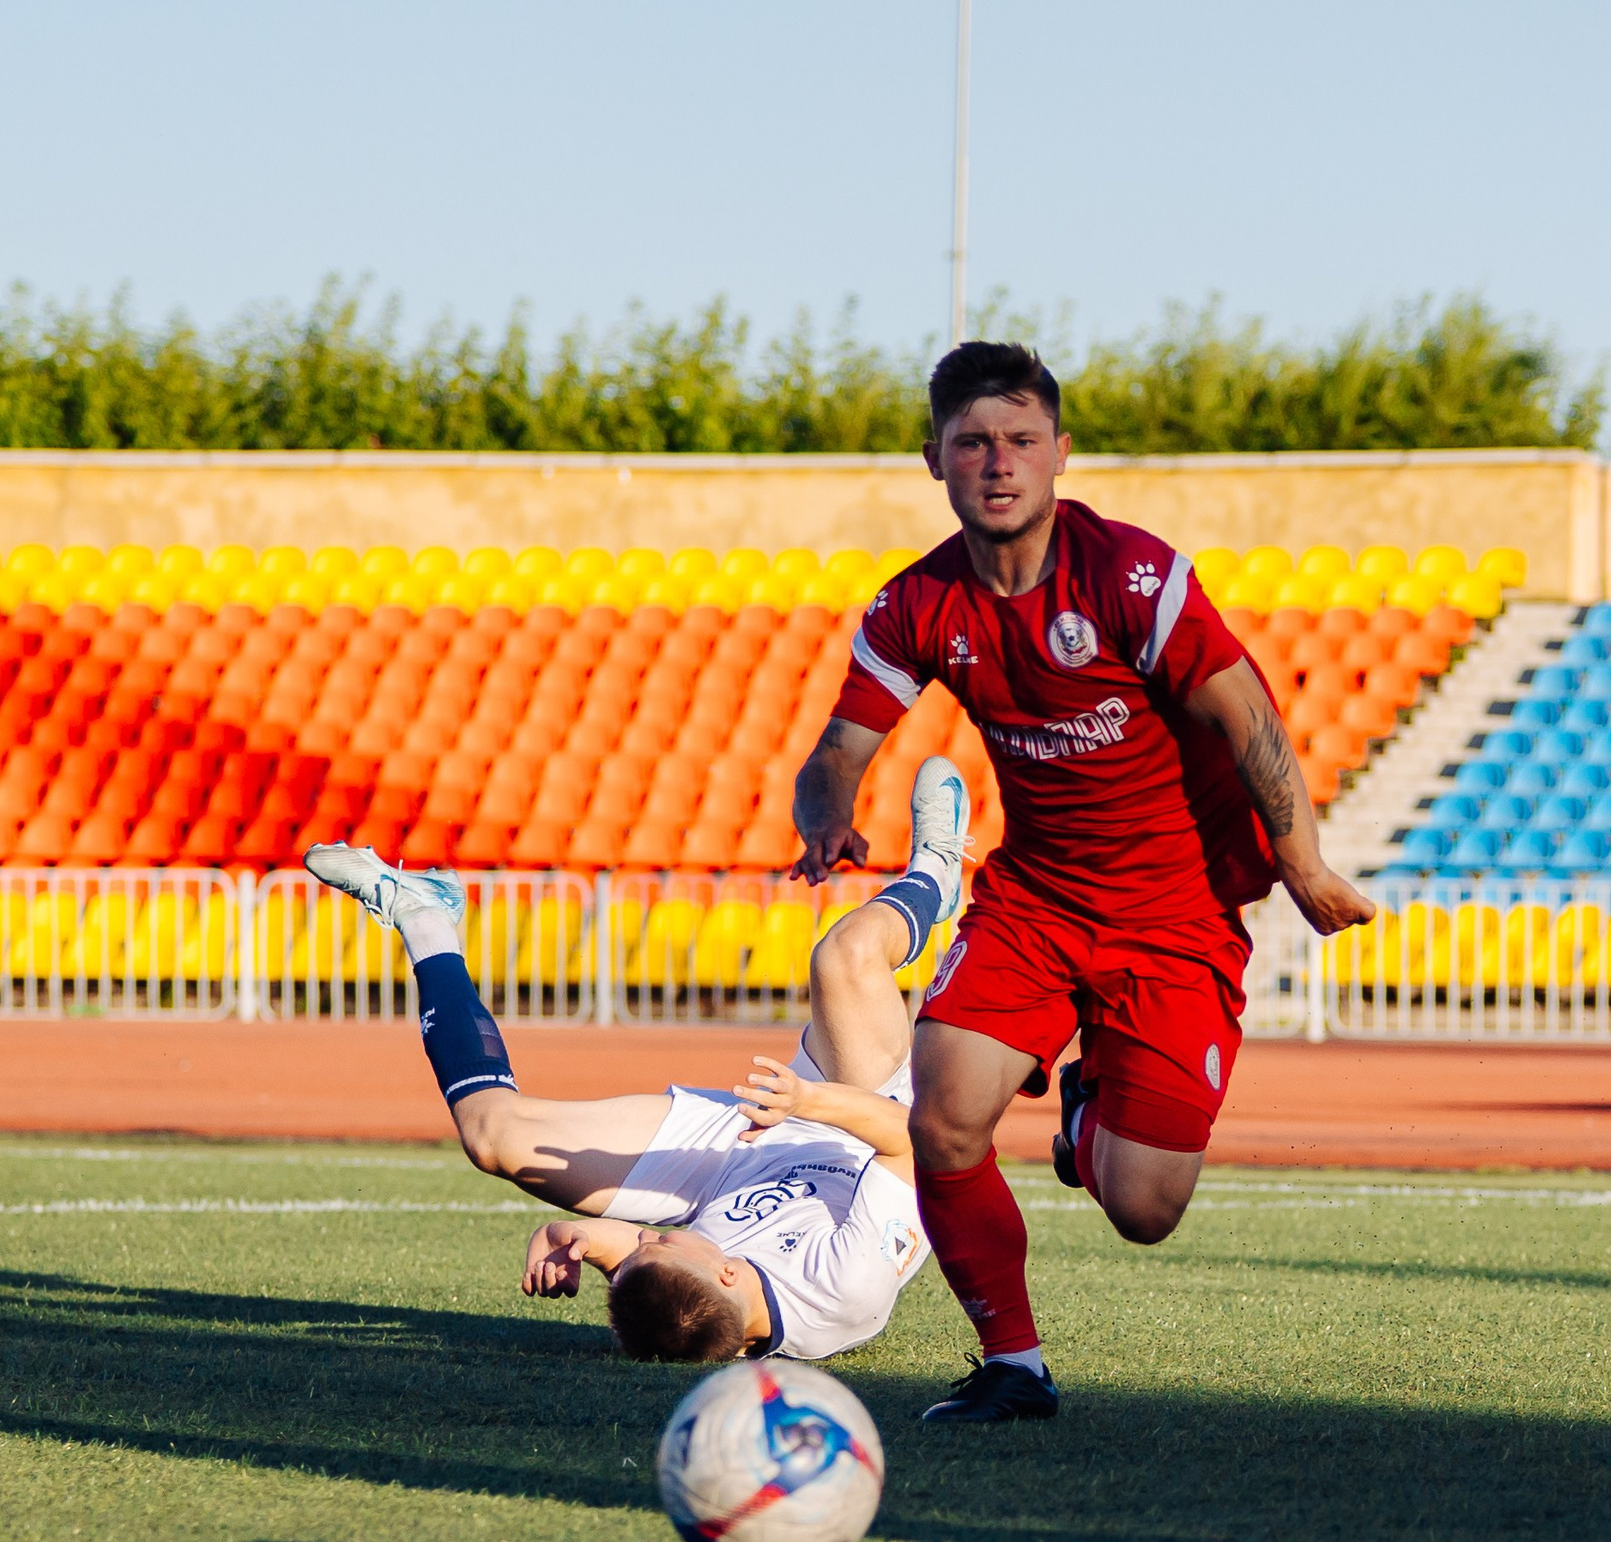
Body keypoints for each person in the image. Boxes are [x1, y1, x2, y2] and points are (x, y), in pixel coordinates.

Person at [791, 340, 1375, 1423]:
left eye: (1019, 440)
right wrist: (826, 811)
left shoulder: (1131, 576)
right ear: (935, 461)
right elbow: (838, 745)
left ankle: (1086, 1110)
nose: (999, 463)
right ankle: (1013, 1363)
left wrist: (1301, 866)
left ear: (1061, 451)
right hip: (1036, 903)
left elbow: (1247, 716)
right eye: (973, 444)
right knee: (945, 1117)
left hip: (1176, 915)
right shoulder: (917, 603)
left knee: (1144, 1211)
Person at [299, 760, 968, 1361]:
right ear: (730, 1272)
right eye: (656, 1241)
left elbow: (657, 1269)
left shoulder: (707, 1297)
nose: (643, 1239)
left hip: (731, 1162)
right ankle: (936, 876)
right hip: (863, 1124)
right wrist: (807, 1101)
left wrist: (574, 1233)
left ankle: (423, 917)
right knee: (841, 958)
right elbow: (906, 1145)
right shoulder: (843, 1287)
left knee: (493, 1137)